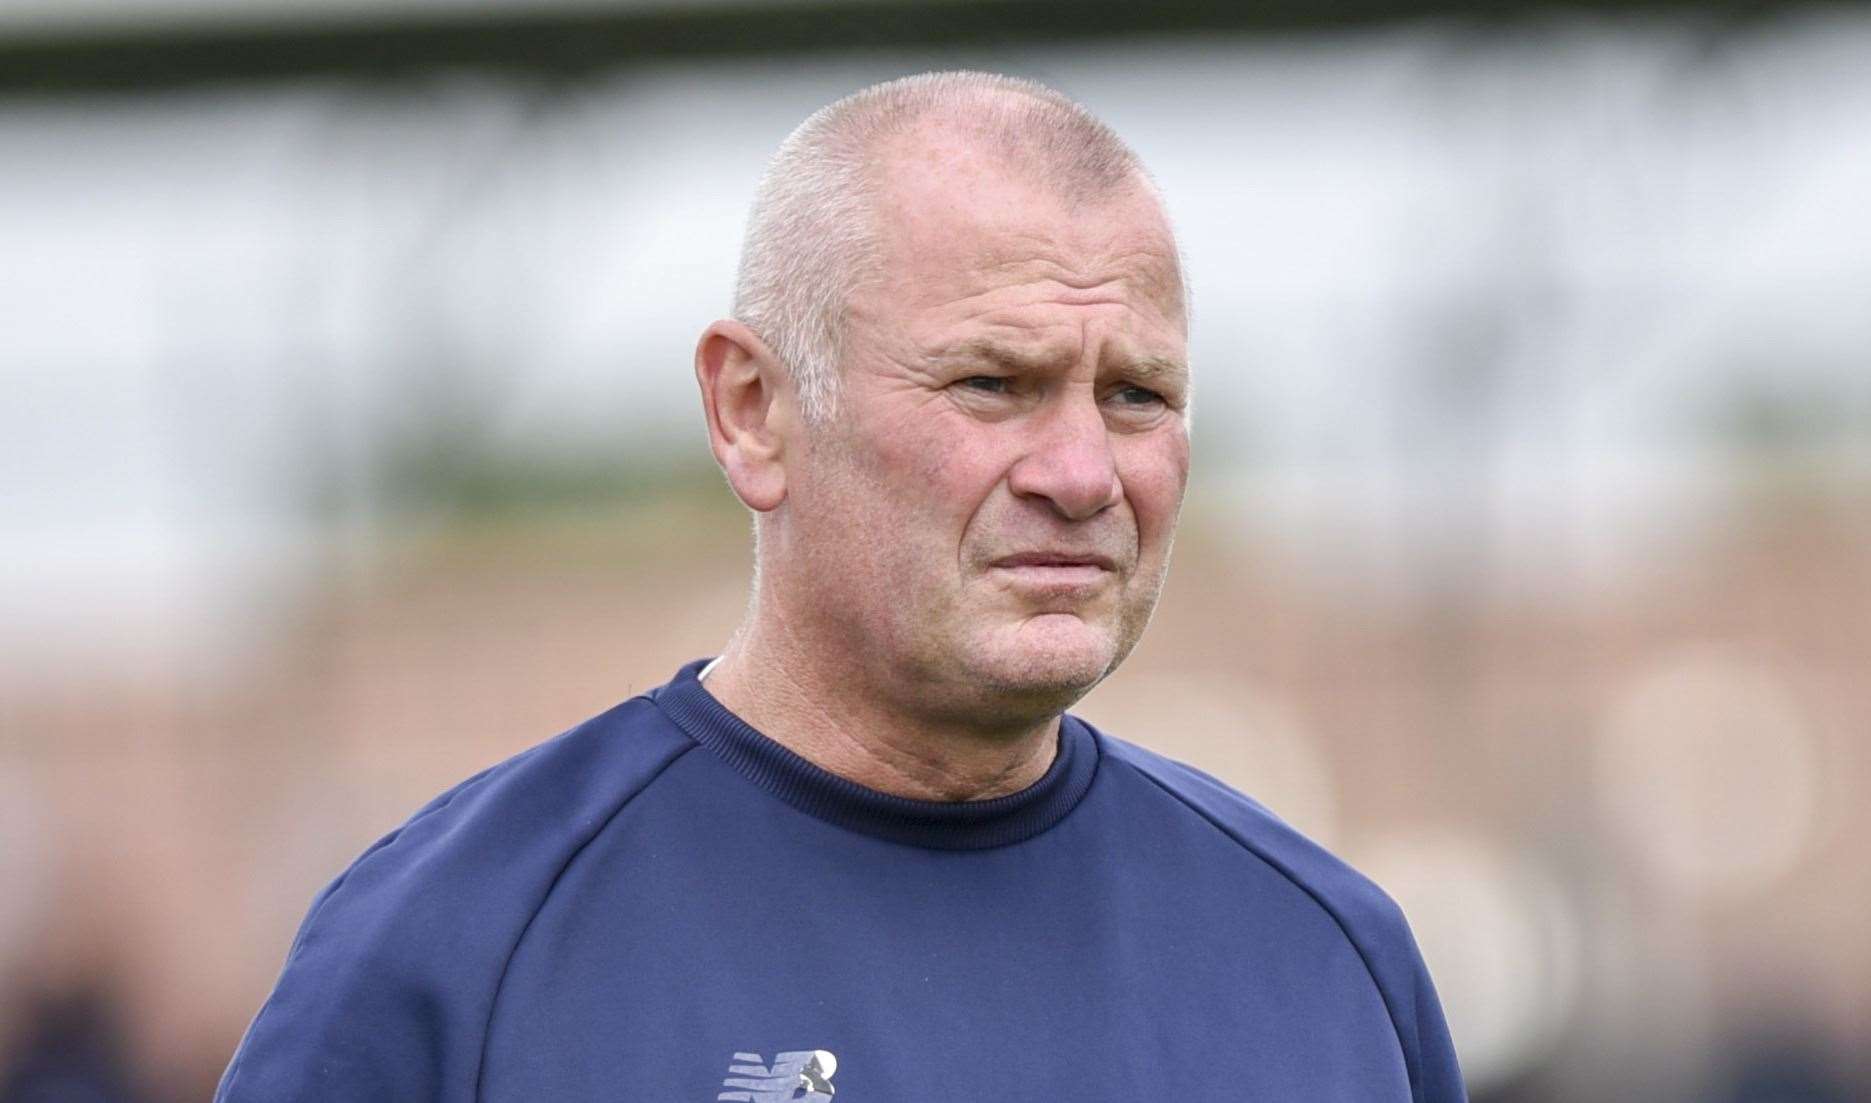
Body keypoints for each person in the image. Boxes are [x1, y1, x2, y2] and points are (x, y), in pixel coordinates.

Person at [215, 71, 1466, 1102]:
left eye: (1135, 395)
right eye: (992, 381)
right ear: (753, 412)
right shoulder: (457, 949)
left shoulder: (1327, 956)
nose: (1083, 473)